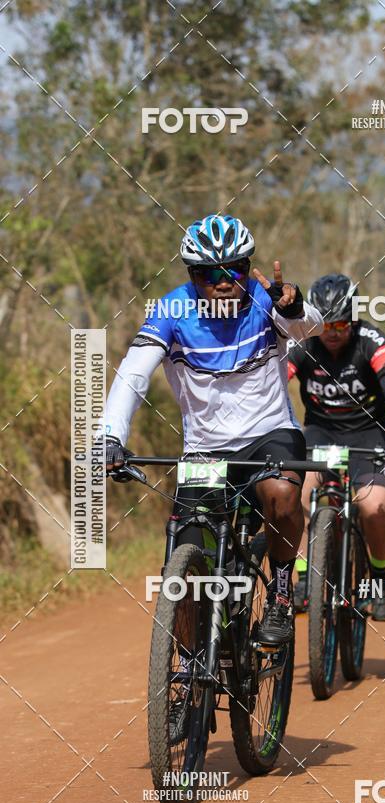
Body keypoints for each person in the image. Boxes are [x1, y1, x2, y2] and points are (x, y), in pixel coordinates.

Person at [103, 214, 323, 646]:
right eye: (210, 274)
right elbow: (133, 374)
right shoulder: (171, 311)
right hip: (205, 450)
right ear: (192, 275)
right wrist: (110, 436)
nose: (223, 283)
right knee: (185, 576)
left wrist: (294, 308)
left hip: (269, 433)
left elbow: (310, 327)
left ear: (247, 268)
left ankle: (280, 596)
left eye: (234, 271)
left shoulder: (267, 301)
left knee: (282, 494)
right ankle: (189, 661)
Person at [287, 273, 385, 622]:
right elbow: (272, 381)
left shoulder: (370, 341)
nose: (332, 332)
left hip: (367, 436)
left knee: (373, 507)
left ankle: (378, 578)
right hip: (320, 433)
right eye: (326, 324)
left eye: (340, 324)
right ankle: (304, 576)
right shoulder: (304, 342)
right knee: (296, 493)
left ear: (353, 319)